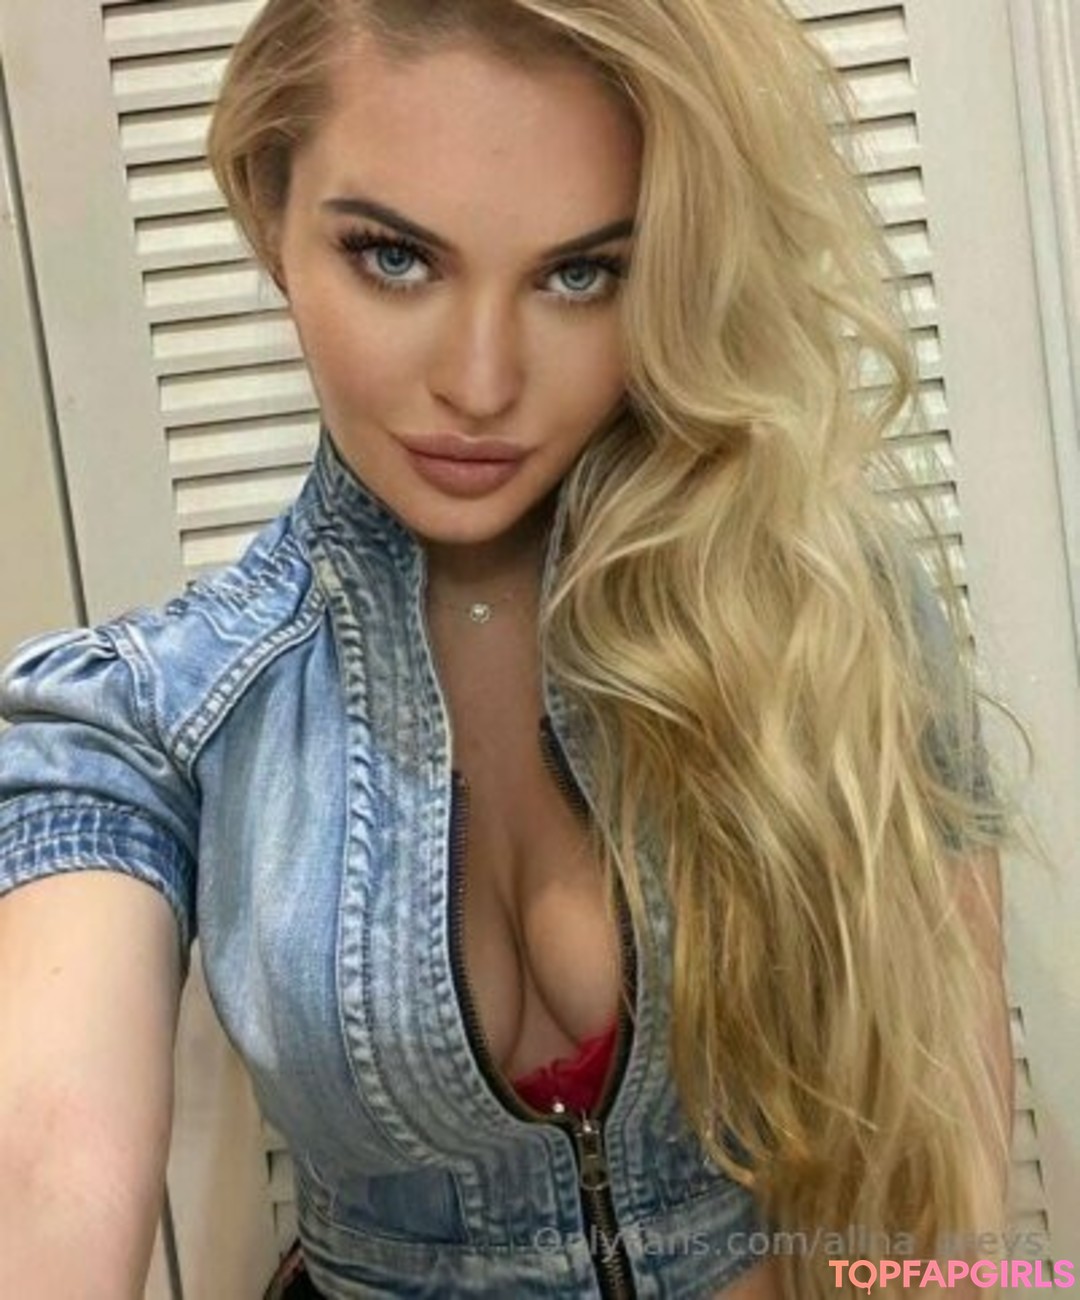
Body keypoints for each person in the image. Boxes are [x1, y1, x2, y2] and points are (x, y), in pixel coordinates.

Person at [0, 1, 1024, 1297]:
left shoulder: (820, 609)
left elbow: (948, 1189)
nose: (481, 383)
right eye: (394, 258)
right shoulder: (151, 718)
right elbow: (47, 1167)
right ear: (269, 212)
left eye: (579, 274)